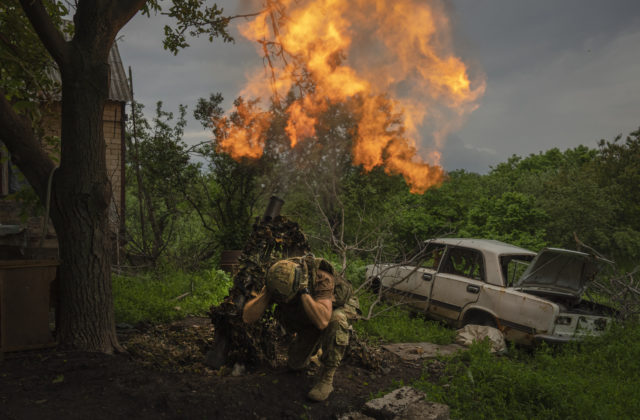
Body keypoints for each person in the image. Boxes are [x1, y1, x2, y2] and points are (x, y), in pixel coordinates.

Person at [242, 256, 354, 402]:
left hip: (332, 309)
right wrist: (266, 293)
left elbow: (323, 321)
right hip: (312, 314)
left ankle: (327, 378)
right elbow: (247, 317)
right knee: (295, 364)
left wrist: (303, 291)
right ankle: (317, 350)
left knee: (336, 320)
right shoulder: (278, 276)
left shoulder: (321, 277)